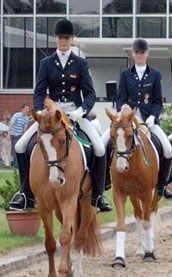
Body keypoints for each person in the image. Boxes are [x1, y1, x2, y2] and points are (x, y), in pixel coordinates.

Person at [10, 18, 112, 212]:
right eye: (60, 38)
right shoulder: (46, 63)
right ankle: (26, 194)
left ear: (71, 39)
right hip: (50, 114)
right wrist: (39, 111)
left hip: (74, 113)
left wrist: (80, 111)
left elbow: (90, 94)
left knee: (99, 148)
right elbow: (39, 91)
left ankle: (98, 195)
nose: (63, 41)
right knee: (21, 145)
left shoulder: (80, 63)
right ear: (56, 40)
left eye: (66, 38)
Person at [102, 38, 172, 199]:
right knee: (103, 143)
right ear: (133, 54)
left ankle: (162, 185)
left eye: (142, 52)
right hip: (127, 122)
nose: (140, 55)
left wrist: (153, 116)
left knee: (168, 149)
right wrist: (122, 110)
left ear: (147, 54)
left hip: (148, 121)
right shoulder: (126, 74)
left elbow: (157, 101)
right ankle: (105, 181)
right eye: (137, 52)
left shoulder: (155, 74)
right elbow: (120, 98)